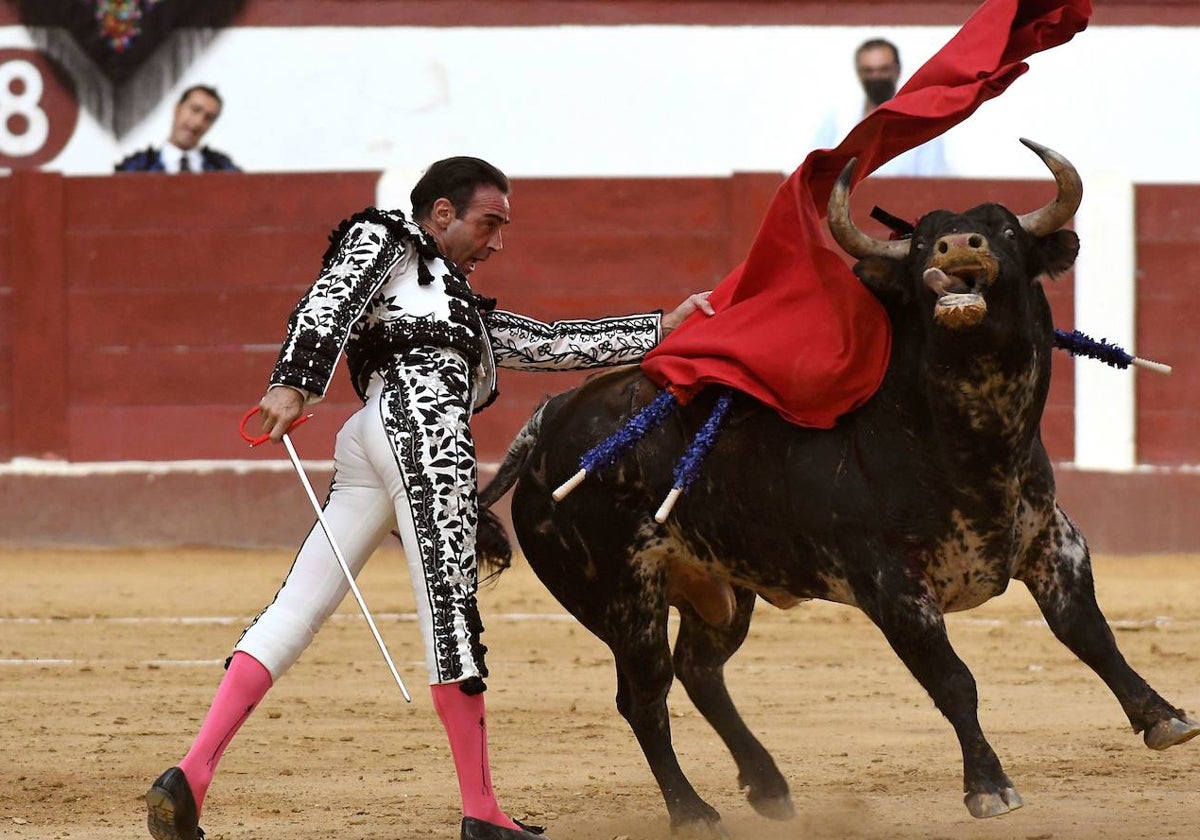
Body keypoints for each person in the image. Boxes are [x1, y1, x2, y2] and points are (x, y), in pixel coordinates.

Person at [144, 156, 714, 840]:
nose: (498, 241)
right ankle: (481, 813)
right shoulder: (388, 236)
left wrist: (661, 328)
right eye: (489, 223)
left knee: (297, 607)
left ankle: (193, 773)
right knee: (450, 615)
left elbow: (553, 342)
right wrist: (293, 382)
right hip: (425, 433)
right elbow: (332, 297)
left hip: (374, 436)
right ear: (441, 214)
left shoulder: (460, 306)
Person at [812, 38, 950, 177]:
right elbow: (816, 170)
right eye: (869, 71)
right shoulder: (839, 119)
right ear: (859, 73)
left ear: (897, 70)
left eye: (883, 70)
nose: (876, 77)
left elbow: (934, 180)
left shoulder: (920, 122)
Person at [115, 84, 240, 173]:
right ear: (177, 108)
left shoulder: (223, 170)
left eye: (209, 118)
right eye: (195, 110)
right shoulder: (136, 169)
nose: (198, 122)